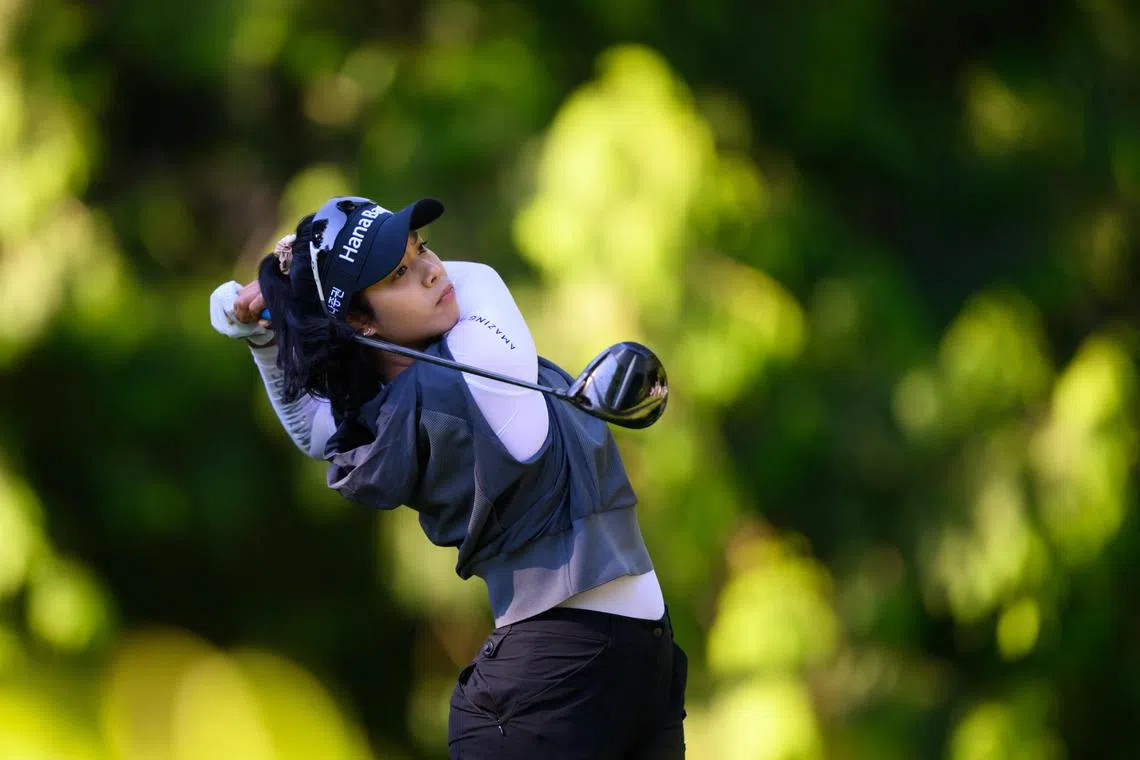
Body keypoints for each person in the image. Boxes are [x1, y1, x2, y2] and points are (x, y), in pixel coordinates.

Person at [209, 195, 687, 758]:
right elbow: (479, 276)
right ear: (359, 321)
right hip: (555, 679)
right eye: (399, 274)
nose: (434, 270)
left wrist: (268, 333)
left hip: (623, 670)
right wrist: (301, 292)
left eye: (423, 249)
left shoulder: (394, 404)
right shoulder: (476, 373)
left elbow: (312, 431)